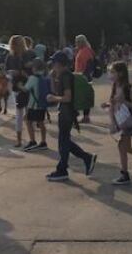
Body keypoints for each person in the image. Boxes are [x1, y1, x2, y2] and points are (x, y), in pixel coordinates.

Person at [45, 51, 96, 182]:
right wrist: (53, 79)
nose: (52, 66)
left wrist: (53, 98)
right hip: (67, 112)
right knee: (64, 141)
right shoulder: (62, 75)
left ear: (58, 64)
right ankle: (85, 158)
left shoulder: (65, 76)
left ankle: (63, 170)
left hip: (66, 112)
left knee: (63, 143)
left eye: (54, 63)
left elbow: (67, 97)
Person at [6, 35, 30, 147]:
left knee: (29, 114)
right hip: (17, 87)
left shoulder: (29, 55)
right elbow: (7, 71)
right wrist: (13, 73)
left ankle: (32, 139)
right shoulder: (10, 57)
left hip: (29, 86)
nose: (16, 47)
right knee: (19, 114)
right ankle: (19, 140)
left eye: (18, 44)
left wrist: (25, 71)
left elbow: (37, 69)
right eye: (14, 44)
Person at [22, 59, 49, 152]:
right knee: (41, 123)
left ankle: (32, 141)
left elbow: (25, 89)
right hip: (42, 104)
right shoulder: (44, 77)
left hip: (33, 105)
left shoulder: (32, 78)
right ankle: (43, 142)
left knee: (28, 122)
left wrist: (19, 85)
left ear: (34, 68)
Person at [73, 34, 95, 123]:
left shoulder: (85, 51)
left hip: (82, 77)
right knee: (84, 96)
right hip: (80, 76)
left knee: (80, 96)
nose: (76, 43)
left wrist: (83, 76)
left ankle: (83, 116)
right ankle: (84, 116)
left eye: (77, 42)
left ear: (81, 42)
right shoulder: (84, 50)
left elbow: (88, 66)